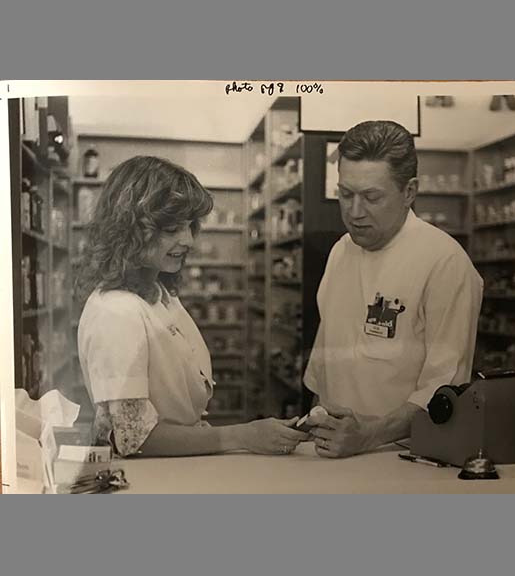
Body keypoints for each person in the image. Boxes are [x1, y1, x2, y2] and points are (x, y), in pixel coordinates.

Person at [76, 155, 308, 458]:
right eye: (171, 228)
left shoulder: (158, 293)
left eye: (190, 226)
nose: (188, 240)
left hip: (179, 467)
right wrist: (245, 435)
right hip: (151, 479)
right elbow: (135, 440)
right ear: (129, 229)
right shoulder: (116, 312)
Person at [303, 120, 483, 458]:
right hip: (332, 454)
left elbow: (444, 389)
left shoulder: (444, 262)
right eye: (345, 194)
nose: (354, 212)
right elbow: (325, 365)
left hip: (401, 458)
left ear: (409, 192)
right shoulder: (340, 251)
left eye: (372, 197)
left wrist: (367, 436)